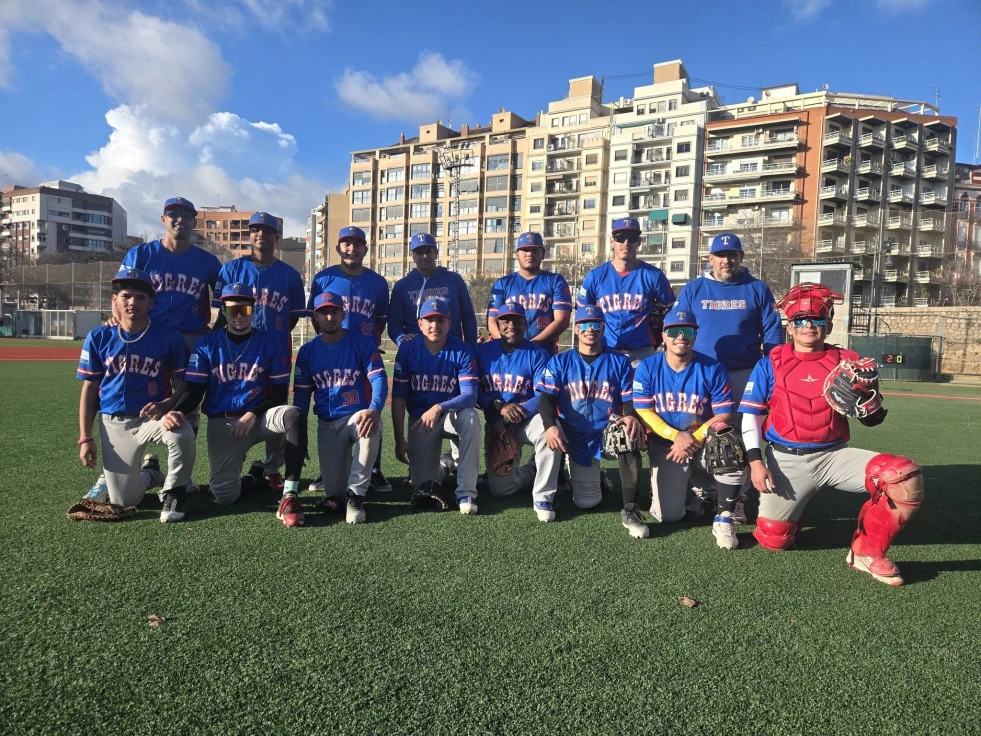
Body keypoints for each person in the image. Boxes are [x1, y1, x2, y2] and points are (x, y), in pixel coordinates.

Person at [739, 283, 924, 586]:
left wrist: (871, 406)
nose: (808, 326)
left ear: (827, 323)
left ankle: (866, 552)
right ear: (790, 325)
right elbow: (750, 415)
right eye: (800, 320)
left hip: (834, 455)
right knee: (775, 539)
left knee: (903, 476)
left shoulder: (847, 359)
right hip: (786, 459)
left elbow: (871, 420)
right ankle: (791, 514)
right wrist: (756, 462)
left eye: (816, 319)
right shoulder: (770, 361)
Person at [83, 197, 221, 502]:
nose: (180, 220)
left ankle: (179, 476)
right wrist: (117, 320)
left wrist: (215, 328)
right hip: (146, 334)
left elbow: (222, 298)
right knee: (131, 395)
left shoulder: (207, 261)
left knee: (188, 405)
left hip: (188, 336)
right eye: (174, 214)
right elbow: (120, 290)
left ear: (193, 222)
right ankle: (113, 472)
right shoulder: (141, 252)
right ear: (163, 219)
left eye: (186, 215)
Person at [673, 231, 783, 520]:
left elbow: (772, 332)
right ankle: (704, 490)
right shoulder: (695, 289)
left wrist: (772, 369)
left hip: (743, 371)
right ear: (710, 259)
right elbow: (675, 328)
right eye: (720, 256)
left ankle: (737, 496)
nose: (726, 261)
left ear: (740, 258)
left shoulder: (757, 288)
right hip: (700, 372)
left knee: (738, 437)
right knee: (697, 429)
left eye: (732, 255)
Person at [175, 283, 305, 526]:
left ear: (253, 311)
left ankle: (290, 493)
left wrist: (251, 415)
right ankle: (255, 476)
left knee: (293, 415)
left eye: (244, 310)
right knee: (224, 496)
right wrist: (174, 410)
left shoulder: (269, 342)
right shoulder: (207, 344)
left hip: (259, 417)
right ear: (223, 311)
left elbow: (278, 394)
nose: (238, 317)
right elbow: (194, 390)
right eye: (232, 310)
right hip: (223, 422)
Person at [74, 268, 196, 522]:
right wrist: (85, 438)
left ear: (151, 302)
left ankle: (174, 491)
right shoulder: (99, 336)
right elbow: (89, 390)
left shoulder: (168, 336)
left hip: (151, 419)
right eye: (127, 296)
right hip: (114, 422)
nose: (133, 303)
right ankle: (150, 474)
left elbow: (187, 382)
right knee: (125, 501)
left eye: (141, 297)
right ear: (115, 300)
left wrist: (168, 404)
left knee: (183, 434)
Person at [632, 309, 749, 549]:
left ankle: (724, 514)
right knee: (668, 516)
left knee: (730, 441)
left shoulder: (712, 367)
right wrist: (677, 437)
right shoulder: (647, 366)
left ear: (695, 335)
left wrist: (691, 439)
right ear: (664, 335)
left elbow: (724, 412)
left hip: (702, 440)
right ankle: (696, 488)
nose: (681, 336)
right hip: (667, 445)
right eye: (674, 331)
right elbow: (644, 411)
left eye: (687, 331)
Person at [211, 212, 306, 493]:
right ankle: (233, 455)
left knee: (276, 406)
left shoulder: (289, 274)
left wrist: (272, 338)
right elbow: (220, 314)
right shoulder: (231, 269)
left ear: (276, 238)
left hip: (275, 350)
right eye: (255, 230)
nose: (260, 235)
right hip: (237, 351)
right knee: (236, 398)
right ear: (249, 235)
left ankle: (273, 467)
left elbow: (292, 318)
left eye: (267, 231)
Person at [536, 305, 648, 538]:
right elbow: (546, 398)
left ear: (602, 328)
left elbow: (628, 399)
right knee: (587, 503)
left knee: (627, 433)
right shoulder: (560, 362)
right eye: (584, 325)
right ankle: (581, 471)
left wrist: (629, 416)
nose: (590, 329)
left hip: (607, 431)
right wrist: (550, 426)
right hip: (574, 435)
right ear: (576, 329)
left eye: (595, 324)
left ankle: (630, 510)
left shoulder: (618, 361)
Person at [306, 225, 392, 494]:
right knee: (335, 409)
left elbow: (380, 320)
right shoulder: (323, 278)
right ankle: (331, 467)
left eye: (357, 244)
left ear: (365, 248)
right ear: (338, 248)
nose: (352, 248)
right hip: (333, 353)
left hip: (364, 355)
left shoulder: (378, 282)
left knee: (369, 409)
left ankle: (374, 469)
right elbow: (315, 317)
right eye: (346, 244)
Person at [293, 291, 388, 524]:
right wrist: (300, 434)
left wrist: (374, 409)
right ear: (315, 317)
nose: (329, 317)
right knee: (333, 493)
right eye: (323, 312)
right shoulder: (307, 351)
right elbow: (302, 398)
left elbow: (379, 379)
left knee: (370, 427)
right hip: (328, 422)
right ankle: (344, 492)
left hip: (356, 416)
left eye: (334, 312)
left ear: (343, 314)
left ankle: (356, 496)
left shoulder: (361, 342)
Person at [392, 297, 481, 514]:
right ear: (420, 323)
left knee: (470, 417)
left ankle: (466, 492)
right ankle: (447, 463)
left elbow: (470, 395)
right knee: (423, 486)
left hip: (450, 415)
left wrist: (439, 407)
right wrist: (399, 439)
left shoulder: (461, 349)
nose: (435, 326)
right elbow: (399, 396)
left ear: (449, 323)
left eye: (440, 320)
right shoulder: (407, 349)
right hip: (421, 421)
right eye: (429, 320)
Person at [475, 299, 559, 522]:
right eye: (505, 320)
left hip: (528, 419)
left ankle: (543, 496)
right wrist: (498, 408)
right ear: (497, 324)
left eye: (516, 321)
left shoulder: (537, 353)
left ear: (525, 324)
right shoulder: (483, 352)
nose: (511, 325)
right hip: (497, 423)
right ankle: (532, 469)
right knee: (501, 490)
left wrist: (518, 410)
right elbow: (472, 391)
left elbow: (544, 393)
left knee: (549, 428)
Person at [577, 217, 675, 367]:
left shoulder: (653, 275)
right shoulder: (595, 276)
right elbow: (582, 314)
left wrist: (661, 333)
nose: (626, 243)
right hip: (606, 350)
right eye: (620, 238)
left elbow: (673, 310)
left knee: (644, 391)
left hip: (642, 353)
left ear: (639, 242)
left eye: (632, 238)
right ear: (612, 242)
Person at [486, 231, 572, 356]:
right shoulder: (502, 283)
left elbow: (562, 320)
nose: (530, 254)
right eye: (525, 250)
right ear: (516, 254)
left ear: (543, 254)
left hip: (544, 352)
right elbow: (492, 322)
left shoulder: (555, 280)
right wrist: (508, 346)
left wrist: (531, 346)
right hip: (509, 354)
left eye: (535, 250)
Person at [389, 232, 478, 347]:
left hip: (453, 351)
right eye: (420, 253)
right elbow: (394, 323)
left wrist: (471, 347)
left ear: (436, 253)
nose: (424, 256)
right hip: (417, 352)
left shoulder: (454, 279)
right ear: (413, 256)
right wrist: (402, 339)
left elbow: (468, 317)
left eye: (429, 251)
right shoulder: (402, 286)